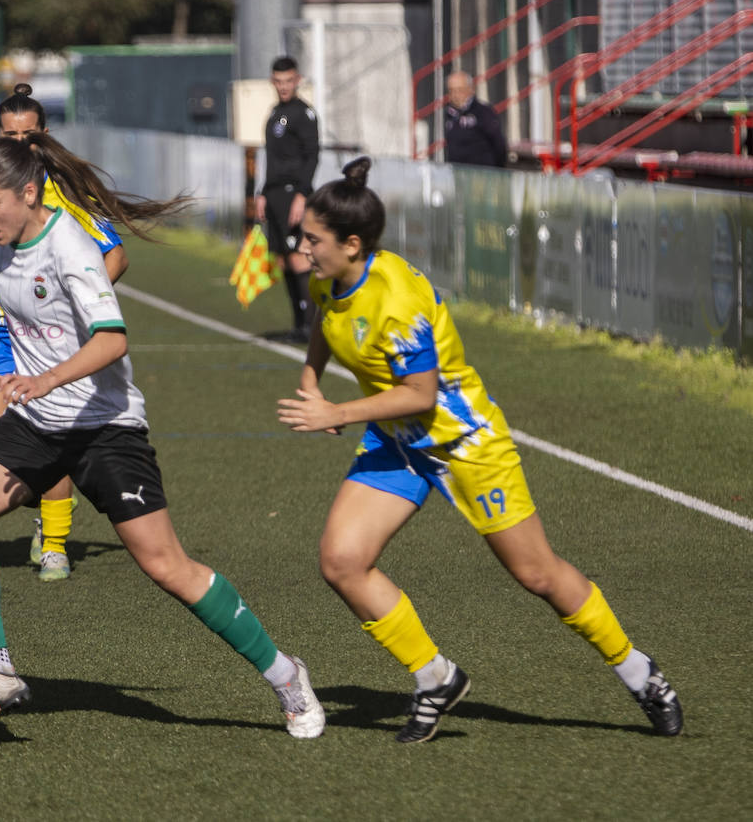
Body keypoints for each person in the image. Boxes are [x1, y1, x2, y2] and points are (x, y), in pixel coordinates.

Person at [275, 156, 683, 743]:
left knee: (538, 574)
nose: (303, 248)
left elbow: (419, 395)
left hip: (466, 445)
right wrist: (312, 377)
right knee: (342, 561)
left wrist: (336, 412)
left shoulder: (399, 302)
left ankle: (641, 674)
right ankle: (435, 677)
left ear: (353, 243)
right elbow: (326, 323)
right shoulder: (329, 274)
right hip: (400, 444)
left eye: (313, 239)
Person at [0, 133, 325, 739]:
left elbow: (113, 339)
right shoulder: (5, 235)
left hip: (104, 427)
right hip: (38, 424)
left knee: (167, 566)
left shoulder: (71, 248)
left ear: (30, 194)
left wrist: (48, 378)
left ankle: (284, 674)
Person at [0, 83, 129, 582]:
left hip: (47, 334)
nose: (21, 144)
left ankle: (53, 543)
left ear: (44, 136)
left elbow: (114, 255)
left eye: (30, 135)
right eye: (11, 134)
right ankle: (18, 513)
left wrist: (76, 304)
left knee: (49, 431)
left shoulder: (66, 190)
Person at [255, 56, 319, 344]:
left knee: (300, 260)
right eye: (278, 81)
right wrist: (263, 193)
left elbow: (311, 155)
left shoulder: (303, 113)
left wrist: (302, 195)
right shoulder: (274, 113)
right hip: (276, 194)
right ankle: (298, 324)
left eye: (288, 81)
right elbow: (272, 160)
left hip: (295, 193)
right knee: (284, 261)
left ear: (297, 80)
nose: (283, 86)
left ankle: (311, 326)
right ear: (272, 81)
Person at [444, 71, 507, 168]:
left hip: (483, 174)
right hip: (458, 173)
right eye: (451, 91)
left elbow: (499, 145)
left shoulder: (483, 112)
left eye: (460, 90)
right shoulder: (449, 114)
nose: (455, 95)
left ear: (470, 90)